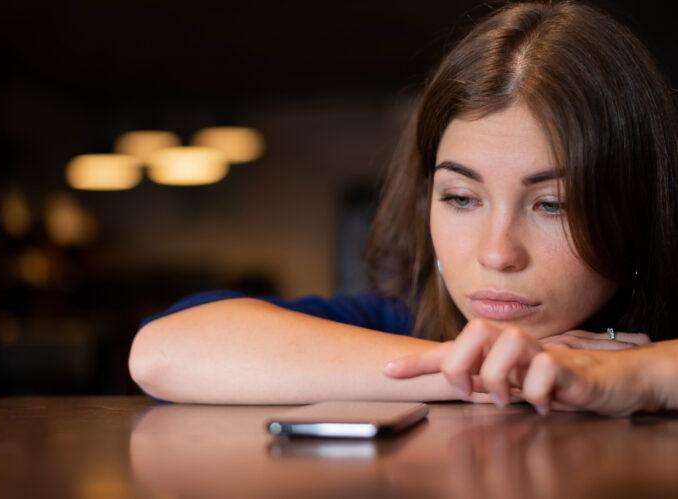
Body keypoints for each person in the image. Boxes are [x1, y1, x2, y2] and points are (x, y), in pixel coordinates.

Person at [129, 1, 678, 414]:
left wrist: (637, 374)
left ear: (638, 207)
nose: (496, 252)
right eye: (461, 198)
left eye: (553, 205)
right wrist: (477, 374)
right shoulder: (407, 320)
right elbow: (163, 351)